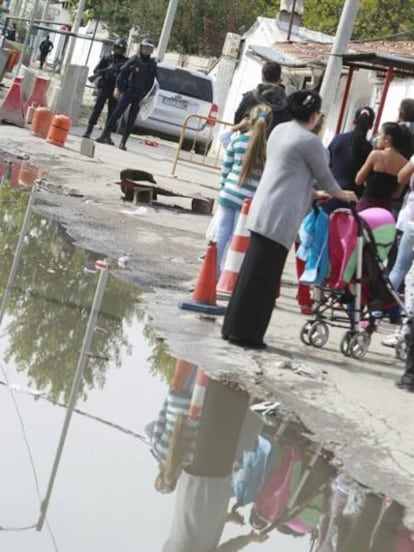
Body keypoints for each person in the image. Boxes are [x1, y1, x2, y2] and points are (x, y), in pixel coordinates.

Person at [221, 90, 357, 349]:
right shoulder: (310, 141)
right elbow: (326, 178)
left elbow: (290, 174)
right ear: (314, 115)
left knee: (250, 274)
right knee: (264, 280)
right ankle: (249, 335)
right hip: (280, 215)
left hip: (264, 207)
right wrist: (344, 194)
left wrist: (314, 194)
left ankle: (233, 328)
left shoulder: (280, 130)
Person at [215, 104, 273, 277]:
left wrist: (223, 188)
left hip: (228, 193)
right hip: (249, 202)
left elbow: (226, 168)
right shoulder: (268, 149)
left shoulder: (237, 141)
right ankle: (229, 275)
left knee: (221, 236)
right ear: (268, 124)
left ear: (250, 121)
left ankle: (213, 273)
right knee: (237, 240)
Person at [96, 37, 158, 151]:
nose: (147, 51)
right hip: (128, 91)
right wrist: (118, 88)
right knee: (116, 114)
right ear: (141, 48)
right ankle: (104, 135)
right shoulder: (134, 59)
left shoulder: (152, 64)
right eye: (145, 48)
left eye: (149, 49)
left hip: (140, 95)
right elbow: (122, 73)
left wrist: (147, 97)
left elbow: (153, 82)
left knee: (131, 120)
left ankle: (123, 142)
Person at [323, 106, 375, 214]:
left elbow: (326, 162)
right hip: (352, 196)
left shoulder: (338, 139)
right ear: (371, 126)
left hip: (330, 189)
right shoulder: (369, 148)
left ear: (354, 121)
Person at [355, 122, 410, 212]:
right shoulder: (404, 163)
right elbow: (396, 194)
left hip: (366, 205)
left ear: (387, 139)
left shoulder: (376, 155)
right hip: (385, 209)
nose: (377, 138)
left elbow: (358, 180)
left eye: (380, 134)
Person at [82, 38, 128, 140]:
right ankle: (89, 130)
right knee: (98, 107)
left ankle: (107, 135)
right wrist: (107, 70)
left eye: (121, 49)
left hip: (116, 88)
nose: (119, 51)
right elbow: (96, 71)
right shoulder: (107, 58)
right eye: (118, 48)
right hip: (104, 86)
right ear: (114, 48)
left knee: (112, 112)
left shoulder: (125, 62)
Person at [234, 61, 291, 133]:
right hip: (271, 143)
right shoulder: (287, 104)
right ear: (279, 79)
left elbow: (238, 120)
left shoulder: (249, 97)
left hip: (248, 141)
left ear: (262, 77)